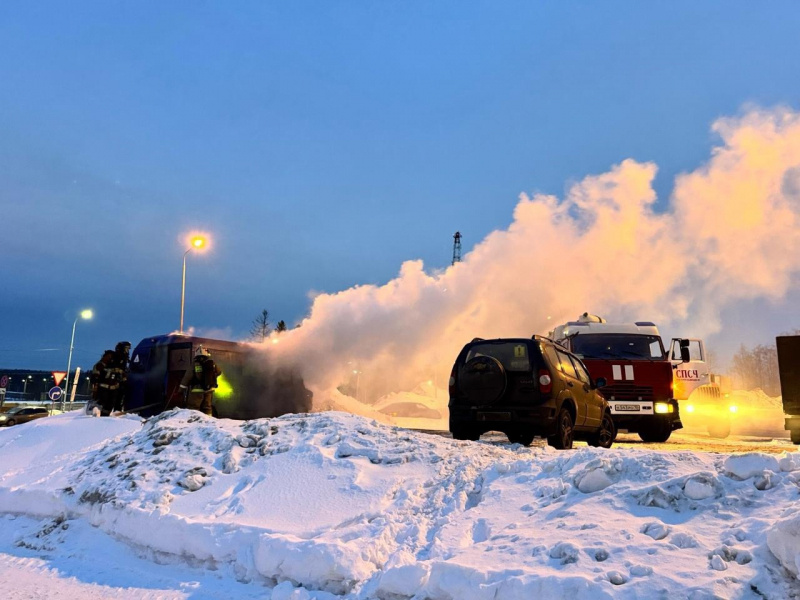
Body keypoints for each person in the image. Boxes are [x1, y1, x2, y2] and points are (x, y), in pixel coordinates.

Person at [179, 346, 221, 416]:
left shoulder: (194, 364)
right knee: (207, 407)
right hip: (209, 389)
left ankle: (194, 423)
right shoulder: (212, 363)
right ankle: (208, 422)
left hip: (196, 390)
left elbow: (187, 377)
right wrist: (211, 377)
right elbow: (219, 372)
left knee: (194, 407)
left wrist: (181, 389)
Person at [89, 350, 116, 416]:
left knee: (109, 404)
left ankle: (105, 416)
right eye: (108, 356)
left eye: (111, 357)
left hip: (111, 390)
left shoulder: (113, 366)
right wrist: (95, 387)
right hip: (101, 389)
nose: (110, 358)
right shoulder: (99, 365)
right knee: (101, 403)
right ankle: (96, 413)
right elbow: (95, 377)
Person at [110, 341, 131, 412]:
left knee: (121, 396)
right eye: (126, 348)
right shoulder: (117, 357)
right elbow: (115, 368)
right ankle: (115, 410)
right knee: (116, 396)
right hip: (115, 380)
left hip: (121, 381)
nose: (128, 350)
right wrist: (121, 372)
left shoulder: (125, 358)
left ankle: (118, 409)